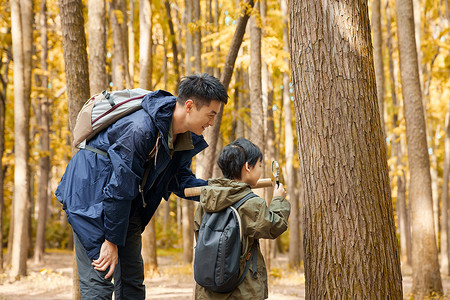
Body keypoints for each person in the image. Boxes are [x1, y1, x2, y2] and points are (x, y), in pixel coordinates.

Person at [55, 73, 228, 299]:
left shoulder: (183, 136)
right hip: (91, 196)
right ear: (189, 106)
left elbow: (181, 181)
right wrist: (111, 241)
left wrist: (224, 191)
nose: (212, 123)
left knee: (132, 283)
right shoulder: (140, 129)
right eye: (210, 115)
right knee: (100, 285)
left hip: (127, 204)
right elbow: (119, 187)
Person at [193, 137, 291, 300]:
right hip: (241, 289)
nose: (260, 170)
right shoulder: (251, 203)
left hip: (207, 288)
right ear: (247, 167)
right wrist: (278, 200)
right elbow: (274, 225)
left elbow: (199, 231)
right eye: (259, 165)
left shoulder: (208, 198)